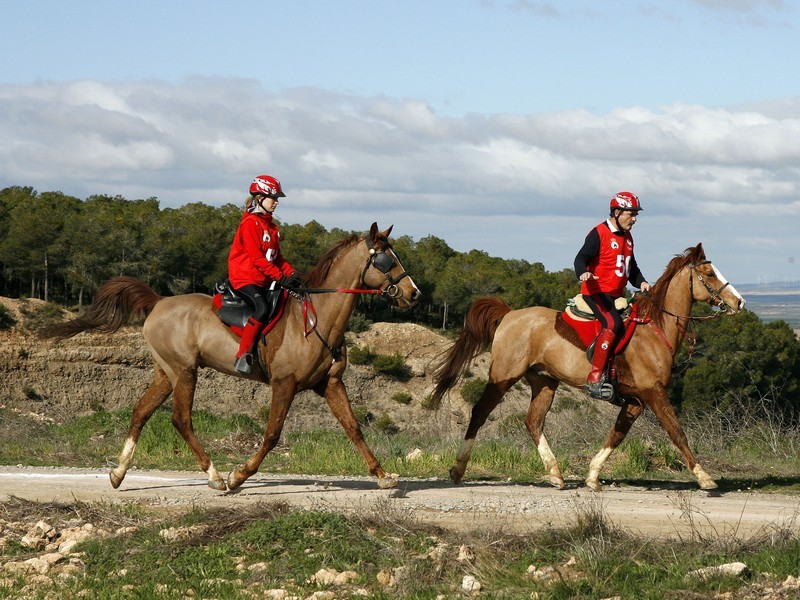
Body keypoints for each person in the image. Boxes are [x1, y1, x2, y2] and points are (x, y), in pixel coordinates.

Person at [574, 191, 652, 400]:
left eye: (636, 214)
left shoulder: (628, 237)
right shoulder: (599, 233)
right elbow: (580, 258)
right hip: (596, 293)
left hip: (616, 295)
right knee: (613, 324)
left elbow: (631, 268)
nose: (634, 219)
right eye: (631, 214)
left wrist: (642, 282)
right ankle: (594, 379)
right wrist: (583, 272)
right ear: (617, 212)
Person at [227, 174, 301, 374]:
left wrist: (292, 274)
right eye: (273, 198)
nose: (276, 202)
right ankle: (242, 355)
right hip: (244, 279)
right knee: (261, 308)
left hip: (264, 279)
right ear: (260, 198)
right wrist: (280, 277)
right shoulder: (250, 224)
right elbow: (257, 259)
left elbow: (277, 259)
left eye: (277, 199)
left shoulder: (272, 227)